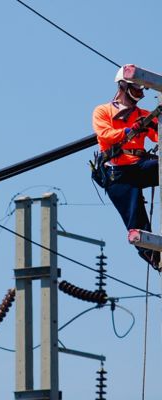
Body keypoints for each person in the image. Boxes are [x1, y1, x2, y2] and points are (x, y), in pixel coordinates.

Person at [92, 65, 160, 271]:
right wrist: (130, 130)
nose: (139, 94)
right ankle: (156, 259)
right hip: (118, 173)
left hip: (139, 167)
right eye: (135, 89)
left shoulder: (144, 114)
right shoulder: (103, 111)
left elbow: (158, 136)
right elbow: (105, 135)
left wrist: (155, 126)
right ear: (122, 86)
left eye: (141, 90)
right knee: (136, 221)